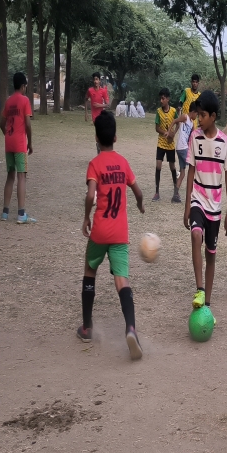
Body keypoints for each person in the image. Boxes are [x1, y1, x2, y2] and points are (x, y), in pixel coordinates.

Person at [77, 111, 146, 361]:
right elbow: (138, 191)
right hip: (119, 232)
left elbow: (89, 195)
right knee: (122, 281)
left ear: (97, 137)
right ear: (115, 137)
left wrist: (86, 217)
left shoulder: (95, 164)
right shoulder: (123, 162)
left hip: (100, 231)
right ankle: (130, 328)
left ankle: (87, 328)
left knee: (89, 270)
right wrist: (139, 205)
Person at [184, 90, 227, 312]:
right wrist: (187, 205)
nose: (199, 119)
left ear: (213, 116)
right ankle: (200, 289)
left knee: (211, 255)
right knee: (196, 234)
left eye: (202, 115)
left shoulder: (224, 142)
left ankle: (207, 304)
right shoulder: (195, 137)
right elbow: (190, 171)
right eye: (198, 115)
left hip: (216, 208)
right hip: (198, 200)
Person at [0, 72, 36, 224]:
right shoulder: (25, 100)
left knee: (10, 175)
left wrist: (7, 135)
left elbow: (1, 123)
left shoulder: (8, 101)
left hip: (9, 142)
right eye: (26, 86)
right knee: (22, 176)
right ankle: (21, 214)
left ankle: (5, 212)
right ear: (23, 86)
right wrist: (30, 142)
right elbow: (27, 124)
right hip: (20, 143)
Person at [153, 88, 179, 203]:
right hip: (161, 143)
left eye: (163, 98)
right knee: (158, 166)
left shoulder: (173, 111)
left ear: (168, 99)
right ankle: (157, 192)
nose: (161, 100)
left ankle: (176, 191)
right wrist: (165, 132)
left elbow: (178, 123)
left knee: (172, 167)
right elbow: (156, 128)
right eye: (160, 98)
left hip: (170, 144)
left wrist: (173, 133)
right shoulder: (159, 111)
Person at [173, 100, 199, 203]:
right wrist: (172, 132)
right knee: (194, 168)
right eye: (196, 113)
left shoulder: (192, 123)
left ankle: (175, 194)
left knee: (183, 173)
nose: (197, 116)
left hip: (183, 149)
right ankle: (194, 194)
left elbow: (192, 137)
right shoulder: (185, 117)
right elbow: (176, 121)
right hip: (182, 148)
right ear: (193, 112)